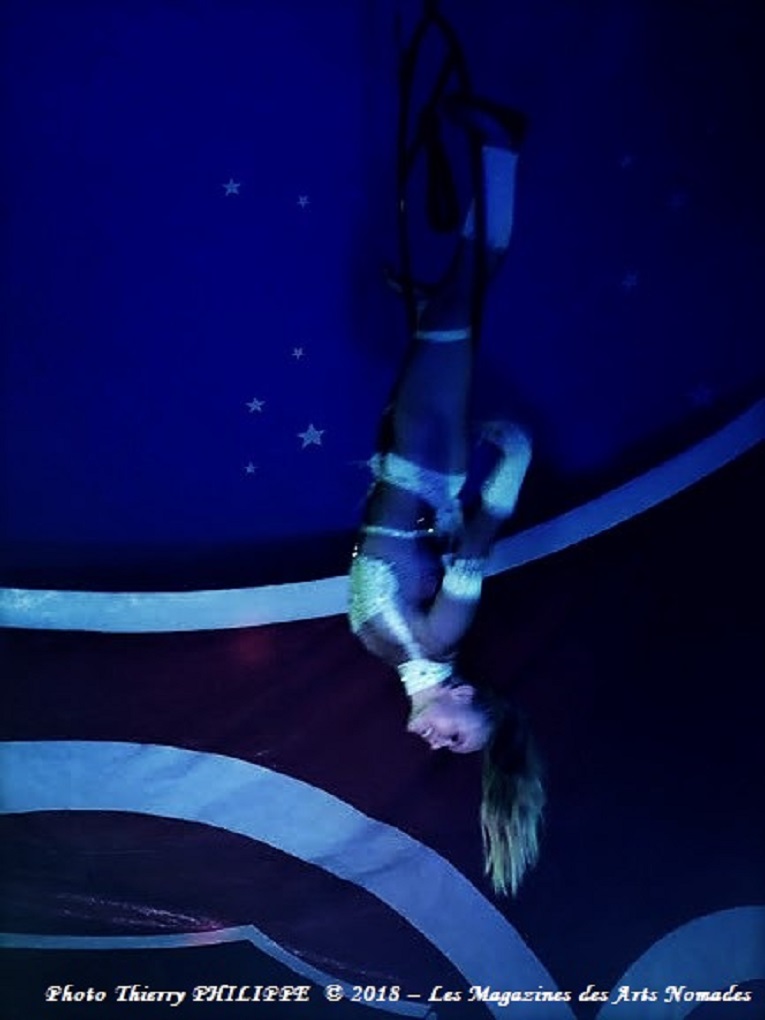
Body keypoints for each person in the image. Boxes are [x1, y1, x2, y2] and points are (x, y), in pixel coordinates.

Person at [348, 94, 545, 897]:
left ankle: (439, 293)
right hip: (427, 456)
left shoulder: (398, 655)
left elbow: (416, 544)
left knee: (458, 299)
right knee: (467, 286)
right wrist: (515, 459)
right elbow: (475, 543)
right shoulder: (439, 638)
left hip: (404, 458)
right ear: (463, 698)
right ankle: (501, 150)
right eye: (458, 739)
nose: (438, 744)